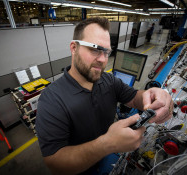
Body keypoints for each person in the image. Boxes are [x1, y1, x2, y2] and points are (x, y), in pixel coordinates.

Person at [36, 17, 173, 175]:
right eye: (95, 49)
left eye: (107, 52)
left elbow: (135, 97)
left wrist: (152, 96)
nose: (103, 59)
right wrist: (107, 144)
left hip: (106, 161)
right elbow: (55, 162)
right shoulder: (51, 100)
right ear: (74, 48)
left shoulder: (108, 80)